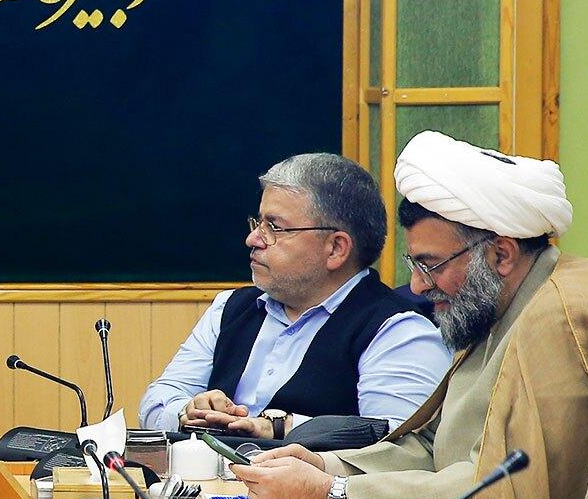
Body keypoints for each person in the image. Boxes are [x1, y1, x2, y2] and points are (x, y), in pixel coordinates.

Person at [234, 132, 588, 499]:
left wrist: (333, 495)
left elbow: (505, 496)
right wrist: (325, 467)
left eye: (431, 265)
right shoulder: (501, 303)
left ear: (501, 254)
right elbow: (435, 446)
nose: (417, 286)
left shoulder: (560, 321)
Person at [141, 154, 447, 440]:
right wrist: (188, 412)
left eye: (274, 227)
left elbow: (395, 440)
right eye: (258, 223)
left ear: (336, 248)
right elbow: (155, 404)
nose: (253, 239)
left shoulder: (398, 331)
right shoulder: (229, 308)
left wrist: (281, 427)